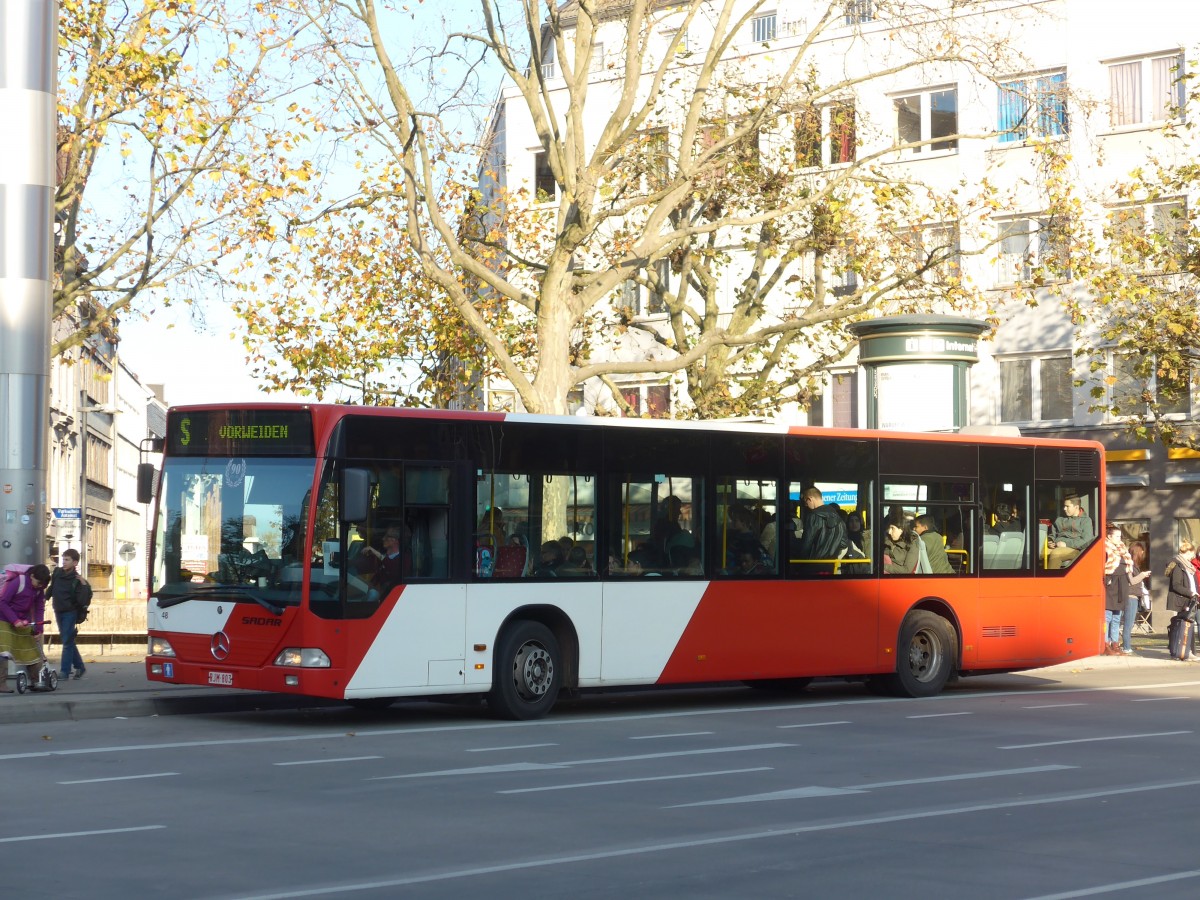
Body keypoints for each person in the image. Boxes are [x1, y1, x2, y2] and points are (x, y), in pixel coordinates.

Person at [0, 563, 52, 690]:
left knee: (33, 650)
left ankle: (36, 681)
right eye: (38, 583)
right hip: (4, 619)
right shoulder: (19, 582)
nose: (40, 586)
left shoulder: (39, 588)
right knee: (3, 651)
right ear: (32, 576)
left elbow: (39, 608)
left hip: (24, 621)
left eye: (42, 585)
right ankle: (1, 683)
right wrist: (14, 620)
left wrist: (39, 629)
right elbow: (2, 602)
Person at [49, 549, 92, 680]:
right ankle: (80, 667)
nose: (64, 562)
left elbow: (83, 600)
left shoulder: (77, 580)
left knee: (67, 642)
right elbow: (51, 588)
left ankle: (65, 672)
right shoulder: (57, 574)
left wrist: (84, 585)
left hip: (70, 612)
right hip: (58, 610)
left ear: (75, 562)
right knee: (68, 640)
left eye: (67, 560)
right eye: (63, 559)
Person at [1102, 522, 1136, 655]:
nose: (1119, 539)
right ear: (1109, 537)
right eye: (1117, 536)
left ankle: (1115, 644)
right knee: (1108, 617)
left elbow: (1128, 567)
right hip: (1111, 584)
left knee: (1117, 617)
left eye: (1120, 536)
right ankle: (1106, 644)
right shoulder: (1105, 548)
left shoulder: (1122, 549)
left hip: (1122, 584)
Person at [1165, 539, 1200, 661]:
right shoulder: (1178, 565)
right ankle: (1185, 651)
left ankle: (1188, 652)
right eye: (1192, 554)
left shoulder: (1188, 566)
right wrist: (1190, 593)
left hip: (1190, 599)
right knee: (1185, 626)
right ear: (1188, 552)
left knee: (1187, 625)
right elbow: (1176, 585)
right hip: (1182, 600)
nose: (1193, 557)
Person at [795, 487, 849, 564]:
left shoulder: (813, 516)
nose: (806, 506)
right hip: (831, 567)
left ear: (810, 499)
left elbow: (806, 544)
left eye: (805, 503)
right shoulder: (838, 518)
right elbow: (844, 544)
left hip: (814, 566)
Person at [361, 525, 410, 599]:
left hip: (391, 597)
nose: (383, 539)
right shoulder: (383, 557)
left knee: (373, 594)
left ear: (395, 540)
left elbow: (393, 569)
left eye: (387, 536)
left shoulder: (405, 558)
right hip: (379, 591)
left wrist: (377, 554)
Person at [1047, 496, 1093, 568]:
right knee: (1037, 553)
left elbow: (1087, 540)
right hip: (1056, 545)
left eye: (1067, 506)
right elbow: (1052, 535)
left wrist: (1066, 544)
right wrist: (1050, 541)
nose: (1064, 509)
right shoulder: (1059, 519)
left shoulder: (1085, 520)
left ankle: (1050, 579)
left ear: (1076, 507)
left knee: (1056, 553)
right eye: (1064, 506)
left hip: (1075, 550)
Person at [1122, 540, 1150, 655]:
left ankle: (1126, 646)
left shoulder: (1134, 566)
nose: (1143, 554)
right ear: (1137, 552)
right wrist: (1142, 575)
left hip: (1134, 596)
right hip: (1130, 596)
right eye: (1141, 552)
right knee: (1128, 623)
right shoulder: (1129, 565)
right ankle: (1126, 646)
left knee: (1129, 623)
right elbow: (1132, 581)